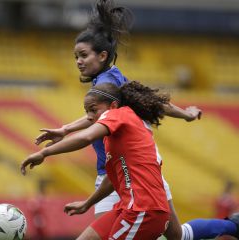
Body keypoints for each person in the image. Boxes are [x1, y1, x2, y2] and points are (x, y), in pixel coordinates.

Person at [34, 0, 239, 239]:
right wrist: (66, 128)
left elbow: (111, 118)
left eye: (83, 55)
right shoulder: (110, 80)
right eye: (76, 56)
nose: (78, 61)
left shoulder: (107, 85)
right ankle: (233, 226)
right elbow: (145, 101)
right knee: (176, 235)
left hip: (126, 173)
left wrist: (185, 114)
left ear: (102, 55)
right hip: (129, 170)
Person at [22, 82, 171, 239]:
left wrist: (44, 153)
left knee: (178, 235)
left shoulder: (119, 114)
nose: (89, 117)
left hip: (144, 209)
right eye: (87, 112)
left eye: (93, 110)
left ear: (113, 105)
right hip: (129, 207)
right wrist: (87, 203)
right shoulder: (114, 138)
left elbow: (86, 136)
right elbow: (113, 179)